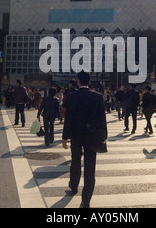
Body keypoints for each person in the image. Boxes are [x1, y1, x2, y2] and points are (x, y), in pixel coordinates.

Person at [62, 71, 107, 208]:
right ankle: (86, 200)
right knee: (90, 166)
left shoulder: (71, 97)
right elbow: (102, 119)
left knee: (75, 160)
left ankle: (73, 185)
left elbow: (68, 119)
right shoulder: (98, 97)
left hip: (76, 135)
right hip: (92, 135)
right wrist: (103, 136)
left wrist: (65, 137)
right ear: (89, 82)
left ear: (78, 81)